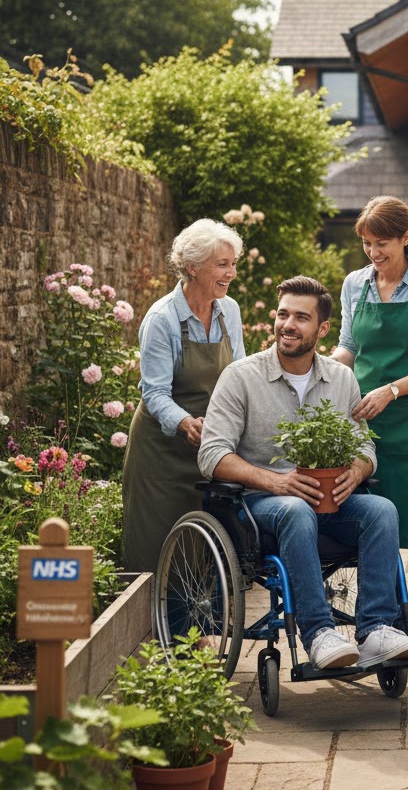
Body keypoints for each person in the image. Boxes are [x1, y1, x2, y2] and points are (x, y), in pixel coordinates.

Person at [198, 276, 408, 669]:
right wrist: (275, 481)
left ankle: (375, 629)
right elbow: (212, 454)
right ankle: (319, 633)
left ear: (323, 329)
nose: (288, 325)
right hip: (262, 505)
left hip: (330, 500)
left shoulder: (341, 378)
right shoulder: (241, 377)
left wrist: (357, 470)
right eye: (283, 314)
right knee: (295, 510)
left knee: (382, 511)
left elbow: (364, 446)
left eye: (301, 318)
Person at [331, 196, 408, 683]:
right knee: (371, 533)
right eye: (366, 243)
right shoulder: (355, 285)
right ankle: (380, 634)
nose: (373, 253)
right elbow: (349, 347)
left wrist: (392, 390)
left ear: (406, 237)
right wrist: (316, 367)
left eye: (381, 243)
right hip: (365, 424)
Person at [121, 219, 246, 573]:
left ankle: (203, 611)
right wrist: (187, 423)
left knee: (207, 550)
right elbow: (155, 392)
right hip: (162, 453)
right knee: (158, 547)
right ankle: (154, 611)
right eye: (222, 264)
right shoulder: (162, 319)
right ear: (193, 267)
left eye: (233, 263)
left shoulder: (229, 310)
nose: (231, 273)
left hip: (211, 443)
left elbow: (239, 374)